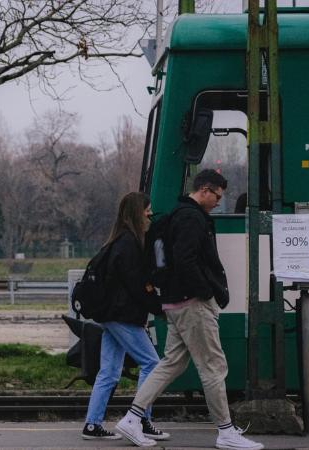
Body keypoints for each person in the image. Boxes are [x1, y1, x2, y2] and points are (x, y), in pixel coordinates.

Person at [115, 170, 264, 450]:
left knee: (172, 363)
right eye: (217, 196)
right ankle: (226, 431)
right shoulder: (192, 218)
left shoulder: (176, 214)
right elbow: (186, 260)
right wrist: (205, 292)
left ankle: (132, 418)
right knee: (213, 367)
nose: (219, 201)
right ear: (205, 190)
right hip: (191, 303)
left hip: (174, 302)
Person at [80, 192, 169, 443]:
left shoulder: (116, 241)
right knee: (152, 364)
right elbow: (137, 285)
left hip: (110, 315)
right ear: (136, 213)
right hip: (122, 316)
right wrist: (159, 308)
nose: (150, 214)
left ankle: (92, 424)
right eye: (146, 210)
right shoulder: (129, 244)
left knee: (108, 372)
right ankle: (140, 419)